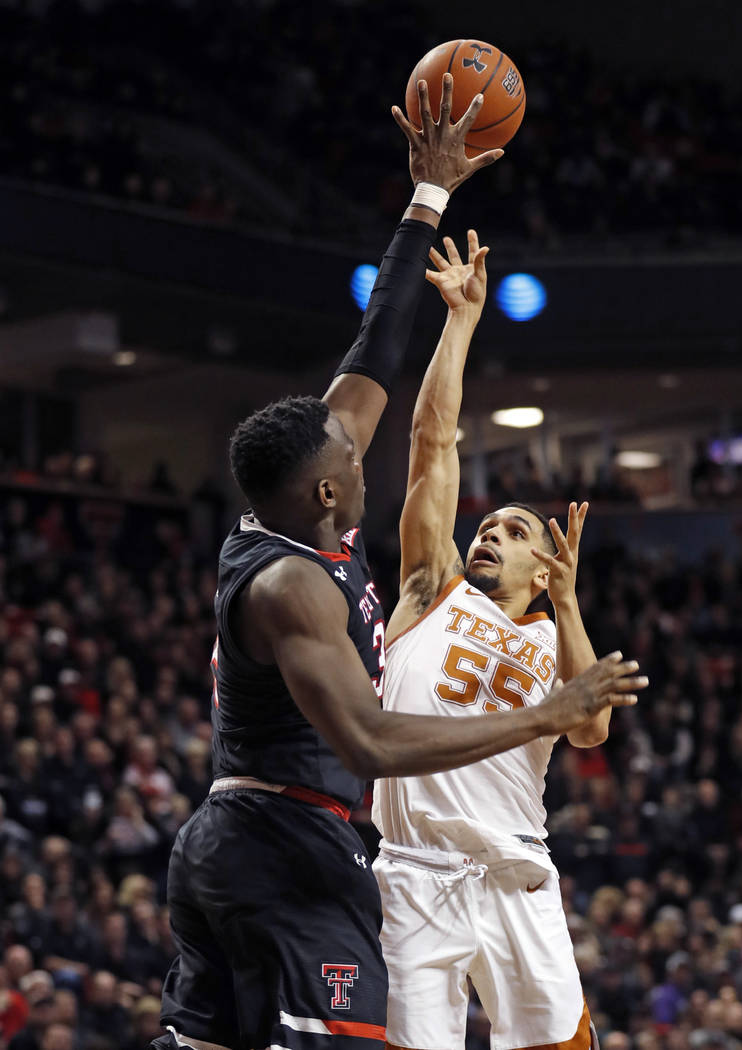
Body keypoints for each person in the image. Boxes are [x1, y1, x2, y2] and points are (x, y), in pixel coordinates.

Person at [155, 79, 646, 1050]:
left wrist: (429, 202)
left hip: (443, 853)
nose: (360, 459)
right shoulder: (334, 584)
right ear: (327, 492)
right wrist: (545, 711)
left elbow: (376, 345)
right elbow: (375, 739)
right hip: (327, 847)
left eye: (518, 529)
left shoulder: (311, 500)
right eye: (350, 463)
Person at [373, 231, 646, 1050]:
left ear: (546, 559)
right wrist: (458, 322)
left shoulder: (556, 640)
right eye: (484, 525)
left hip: (518, 870)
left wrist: (566, 606)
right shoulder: (432, 588)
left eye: (512, 530)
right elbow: (431, 448)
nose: (487, 532)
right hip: (415, 873)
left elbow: (591, 729)